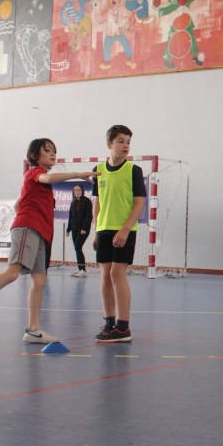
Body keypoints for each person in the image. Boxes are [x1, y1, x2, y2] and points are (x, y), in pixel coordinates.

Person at [0, 138, 94, 343]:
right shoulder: (35, 172)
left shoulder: (35, 184)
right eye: (47, 150)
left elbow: (17, 205)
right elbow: (47, 178)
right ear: (34, 155)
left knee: (39, 281)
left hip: (41, 234)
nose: (53, 153)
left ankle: (33, 330)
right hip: (28, 228)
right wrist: (76, 174)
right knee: (12, 273)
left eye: (54, 150)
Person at [93, 125, 146, 343]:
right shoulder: (98, 170)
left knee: (117, 274)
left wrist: (125, 229)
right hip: (103, 229)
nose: (125, 146)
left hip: (125, 229)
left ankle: (123, 328)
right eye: (121, 141)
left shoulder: (134, 170)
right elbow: (97, 203)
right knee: (105, 275)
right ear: (110, 144)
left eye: (128, 142)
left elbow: (139, 202)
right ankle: (109, 323)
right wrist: (96, 231)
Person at [66, 183, 93, 277]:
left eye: (79, 190)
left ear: (82, 191)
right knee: (77, 248)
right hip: (74, 229)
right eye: (76, 190)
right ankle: (80, 268)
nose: (77, 192)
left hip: (83, 230)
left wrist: (84, 228)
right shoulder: (73, 203)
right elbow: (71, 217)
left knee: (78, 247)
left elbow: (89, 216)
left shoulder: (87, 201)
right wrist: (68, 229)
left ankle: (83, 270)